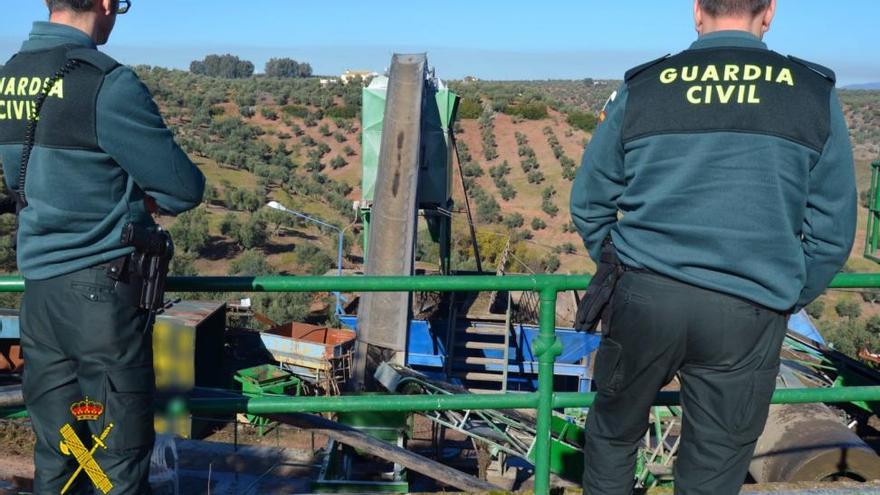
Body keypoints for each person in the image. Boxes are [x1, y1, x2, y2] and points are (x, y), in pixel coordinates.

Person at [570, 0, 855, 493]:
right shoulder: (812, 92)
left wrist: (622, 271)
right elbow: (831, 232)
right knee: (715, 465)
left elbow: (590, 202)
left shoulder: (646, 85)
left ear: (697, 11)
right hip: (750, 310)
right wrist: (782, 292)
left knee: (613, 440)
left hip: (646, 298)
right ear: (769, 13)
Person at [0, 0, 205, 492]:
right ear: (106, 4)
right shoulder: (107, 82)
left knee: (63, 447)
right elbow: (183, 188)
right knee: (117, 455)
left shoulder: (9, 77)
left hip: (41, 296)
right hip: (102, 306)